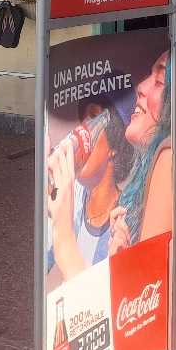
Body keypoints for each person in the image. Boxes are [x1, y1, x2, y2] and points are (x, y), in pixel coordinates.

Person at [45, 93, 135, 280]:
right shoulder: (71, 194)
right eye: (83, 118)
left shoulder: (123, 221)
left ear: (115, 145)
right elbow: (41, 265)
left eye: (94, 116)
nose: (83, 127)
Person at [107, 50, 173, 257]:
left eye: (159, 81)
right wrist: (123, 255)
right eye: (148, 75)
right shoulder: (142, 174)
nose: (141, 87)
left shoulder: (168, 154)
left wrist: (65, 242)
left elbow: (148, 273)